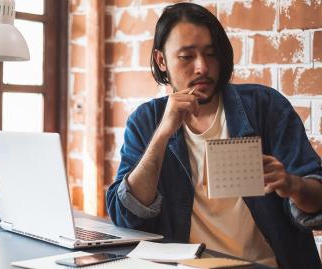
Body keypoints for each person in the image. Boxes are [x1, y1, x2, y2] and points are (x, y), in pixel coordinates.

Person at [106, 2, 322, 268]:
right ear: (161, 60)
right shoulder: (146, 120)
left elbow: (318, 198)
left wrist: (293, 185)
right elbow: (126, 215)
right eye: (187, 57)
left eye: (211, 54)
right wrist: (163, 134)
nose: (202, 68)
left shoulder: (266, 107)